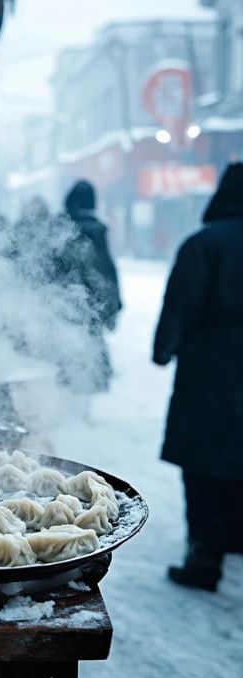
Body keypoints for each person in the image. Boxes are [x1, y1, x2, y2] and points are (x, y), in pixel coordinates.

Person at [152, 162, 243, 591]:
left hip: (210, 371)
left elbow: (181, 303)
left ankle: (204, 556)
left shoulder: (203, 245)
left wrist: (163, 348)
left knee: (204, 464)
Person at [51, 180, 122, 397]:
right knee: (88, 358)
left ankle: (68, 407)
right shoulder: (97, 230)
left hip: (63, 304)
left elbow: (49, 268)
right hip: (91, 305)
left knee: (66, 356)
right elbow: (107, 270)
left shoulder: (59, 227)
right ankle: (82, 410)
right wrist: (113, 305)